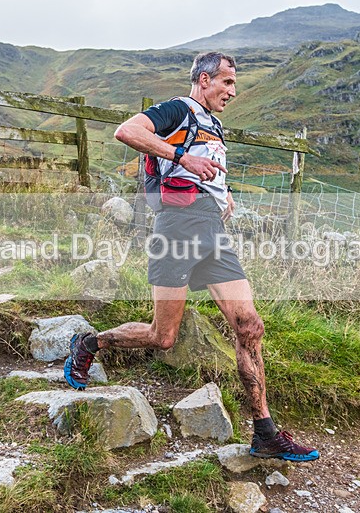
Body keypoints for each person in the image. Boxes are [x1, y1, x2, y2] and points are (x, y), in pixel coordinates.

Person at [64, 52, 319, 462]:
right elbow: (125, 131)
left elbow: (208, 167)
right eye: (227, 83)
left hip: (212, 231)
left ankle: (265, 433)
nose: (233, 92)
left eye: (234, 84)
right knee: (162, 337)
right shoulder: (178, 109)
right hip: (177, 229)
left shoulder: (214, 124)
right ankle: (88, 343)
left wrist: (224, 194)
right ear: (204, 79)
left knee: (250, 326)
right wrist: (181, 157)